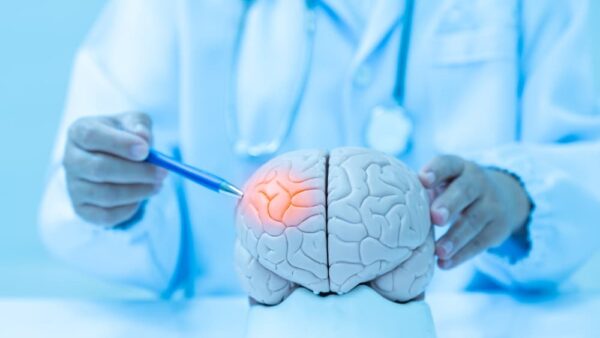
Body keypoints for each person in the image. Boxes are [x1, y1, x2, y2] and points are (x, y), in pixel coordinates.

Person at [39, 0, 599, 297]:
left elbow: (586, 156)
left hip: (465, 320)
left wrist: (517, 193)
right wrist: (112, 193)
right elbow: (98, 172)